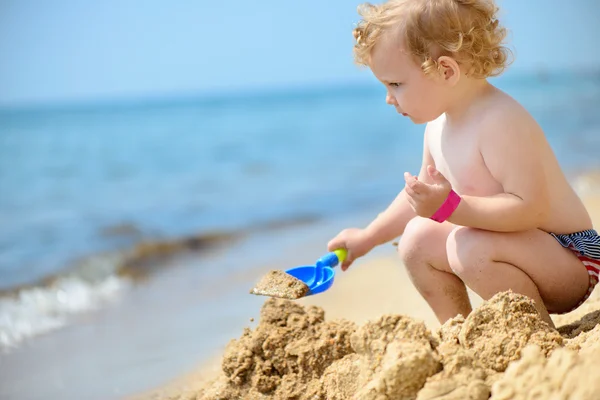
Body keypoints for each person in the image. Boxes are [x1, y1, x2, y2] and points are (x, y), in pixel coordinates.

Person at [327, 0, 600, 328]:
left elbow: (532, 209)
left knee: (467, 244)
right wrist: (367, 238)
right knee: (415, 239)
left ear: (446, 71)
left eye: (396, 84)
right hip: (508, 252)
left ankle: (534, 333)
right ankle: (457, 329)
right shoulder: (437, 125)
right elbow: (420, 199)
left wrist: (450, 208)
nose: (388, 97)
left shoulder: (500, 121)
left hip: (570, 258)